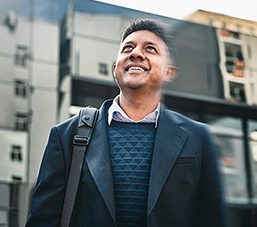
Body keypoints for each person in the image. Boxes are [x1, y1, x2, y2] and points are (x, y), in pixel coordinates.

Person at [26, 19, 230, 226]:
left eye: (150, 49)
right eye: (128, 48)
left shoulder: (198, 138)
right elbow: (43, 219)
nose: (136, 53)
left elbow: (213, 219)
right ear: (116, 69)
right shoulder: (66, 135)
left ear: (169, 72)